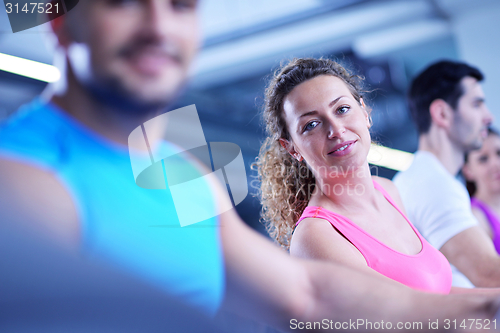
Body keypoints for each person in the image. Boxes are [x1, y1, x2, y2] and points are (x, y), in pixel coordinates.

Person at [0, 1, 497, 330]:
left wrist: (486, 304)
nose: (158, 26)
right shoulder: (21, 176)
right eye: (123, 1)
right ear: (61, 22)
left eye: (179, 5)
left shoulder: (179, 175)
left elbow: (305, 295)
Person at [255, 58, 452, 294]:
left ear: (365, 112)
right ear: (292, 148)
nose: (336, 130)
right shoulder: (315, 237)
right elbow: (416, 312)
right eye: (312, 124)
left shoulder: (387, 191)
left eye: (342, 109)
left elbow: (442, 295)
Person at [393, 60, 500, 289]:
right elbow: (490, 274)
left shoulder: (425, 177)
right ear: (442, 113)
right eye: (476, 104)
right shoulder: (432, 184)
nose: (488, 117)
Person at [463, 128, 500, 254]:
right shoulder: (474, 217)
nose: (496, 164)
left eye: (499, 153)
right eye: (483, 159)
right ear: (468, 170)